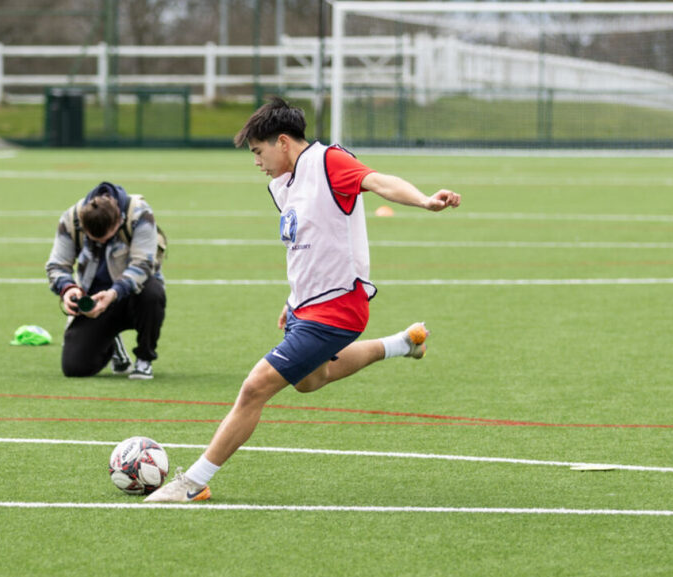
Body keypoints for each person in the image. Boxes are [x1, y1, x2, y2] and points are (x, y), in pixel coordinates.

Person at [145, 97, 461, 503]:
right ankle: (404, 343)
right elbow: (307, 245)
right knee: (312, 380)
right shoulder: (283, 184)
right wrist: (293, 298)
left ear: (282, 142)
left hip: (338, 307)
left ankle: (193, 483)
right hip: (305, 307)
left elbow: (378, 182)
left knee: (255, 386)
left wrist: (423, 200)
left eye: (258, 152)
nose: (257, 161)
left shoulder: (328, 161)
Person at [46, 182, 166, 380]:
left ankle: (144, 358)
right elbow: (56, 265)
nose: (100, 243)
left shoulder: (140, 213)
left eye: (106, 238)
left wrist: (114, 293)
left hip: (134, 293)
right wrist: (67, 289)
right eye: (94, 239)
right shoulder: (71, 218)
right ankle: (112, 343)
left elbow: (143, 265)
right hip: (94, 295)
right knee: (75, 368)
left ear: (119, 220)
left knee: (152, 292)